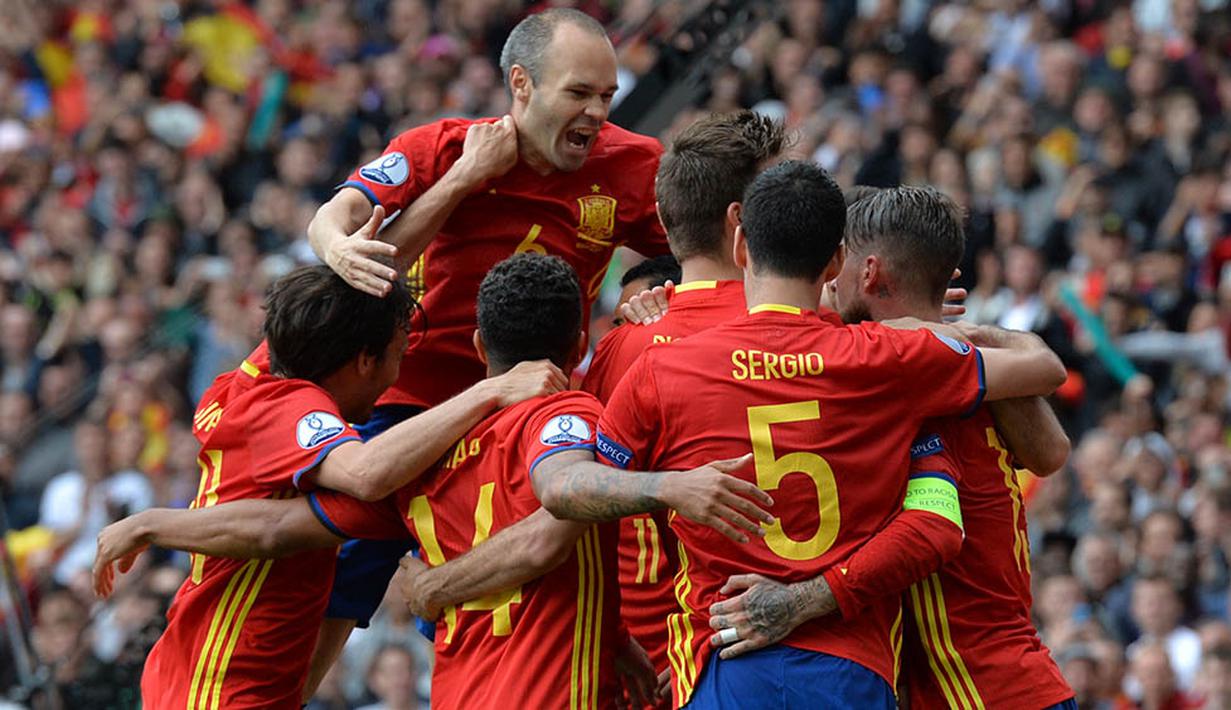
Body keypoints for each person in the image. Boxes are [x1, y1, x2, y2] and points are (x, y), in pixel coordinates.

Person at [95, 255, 772, 709]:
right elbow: (547, 521)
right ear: (576, 349)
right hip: (223, 681)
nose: (400, 374)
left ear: (478, 347)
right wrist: (667, 483)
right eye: (396, 356)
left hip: (440, 689)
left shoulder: (414, 461)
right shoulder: (554, 417)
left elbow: (276, 527)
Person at [587, 161, 1067, 708]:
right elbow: (1050, 432)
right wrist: (960, 335)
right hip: (881, 673)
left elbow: (941, 524)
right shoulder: (897, 363)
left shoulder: (900, 368)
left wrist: (666, 314)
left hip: (974, 688)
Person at [303, 6, 671, 666]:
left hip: (529, 408)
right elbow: (339, 218)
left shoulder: (633, 164)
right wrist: (339, 240)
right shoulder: (442, 146)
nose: (596, 113)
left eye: (606, 96)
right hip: (409, 403)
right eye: (578, 93)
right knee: (335, 584)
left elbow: (692, 253)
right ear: (522, 85)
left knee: (497, 603)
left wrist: (646, 294)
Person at [115, 265, 563, 709]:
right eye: (398, 356)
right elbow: (363, 475)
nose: (396, 379)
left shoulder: (248, 380)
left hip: (205, 674)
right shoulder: (290, 409)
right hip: (217, 688)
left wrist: (366, 239)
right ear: (365, 360)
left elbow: (339, 292)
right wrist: (491, 390)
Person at [580, 110, 786, 675]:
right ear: (742, 220)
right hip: (814, 639)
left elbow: (590, 509)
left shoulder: (624, 347)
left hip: (673, 653)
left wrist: (636, 642)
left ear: (668, 225)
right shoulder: (823, 328)